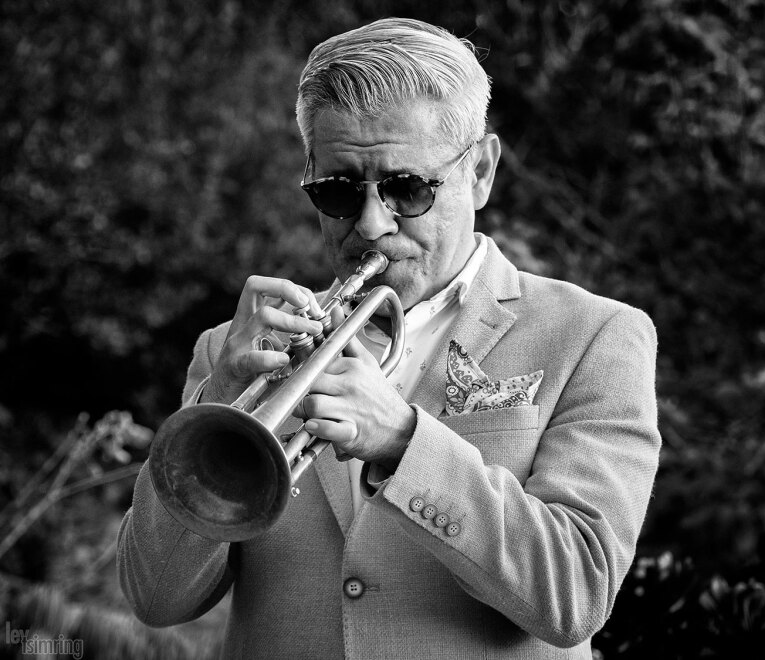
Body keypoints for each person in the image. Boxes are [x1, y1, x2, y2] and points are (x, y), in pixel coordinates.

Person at [117, 17, 661, 659]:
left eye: (407, 188)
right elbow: (156, 598)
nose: (373, 225)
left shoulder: (595, 335)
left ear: (481, 171)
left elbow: (575, 593)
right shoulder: (231, 352)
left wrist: (405, 443)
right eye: (340, 192)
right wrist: (221, 396)